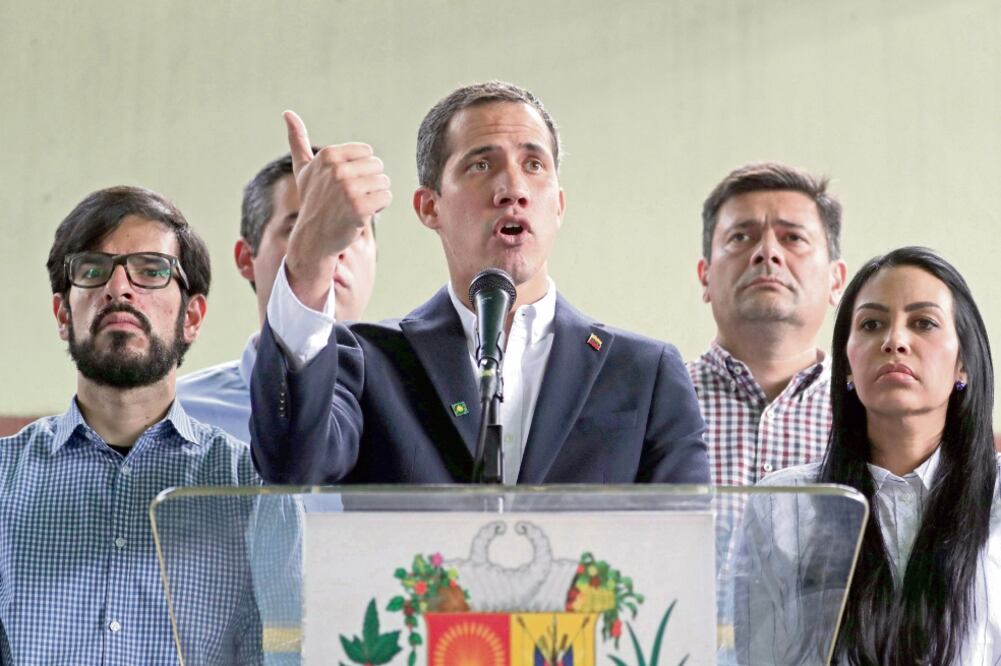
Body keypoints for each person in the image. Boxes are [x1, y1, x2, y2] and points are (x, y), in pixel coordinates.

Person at [250, 81, 708, 485]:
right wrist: (309, 255)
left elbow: (683, 539)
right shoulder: (370, 361)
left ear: (558, 205)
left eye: (534, 164)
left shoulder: (644, 373)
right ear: (430, 207)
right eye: (481, 165)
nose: (513, 189)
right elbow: (292, 466)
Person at [0, 186, 261, 664]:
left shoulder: (247, 484)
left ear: (192, 317)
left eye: (151, 271)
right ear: (63, 314)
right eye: (92, 270)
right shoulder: (4, 479)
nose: (118, 288)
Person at [758, 247, 1001, 664]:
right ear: (847, 366)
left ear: (963, 362)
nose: (894, 341)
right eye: (871, 324)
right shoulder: (783, 502)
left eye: (923, 323)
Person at [177, 151, 377, 442]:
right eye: (301, 228)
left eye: (352, 229)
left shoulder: (419, 410)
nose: (332, 245)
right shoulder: (177, 418)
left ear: (375, 257)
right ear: (246, 258)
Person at [691, 162, 847, 486]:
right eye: (740, 237)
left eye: (793, 237)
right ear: (705, 277)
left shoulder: (868, 411)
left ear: (836, 280)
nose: (767, 252)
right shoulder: (657, 402)